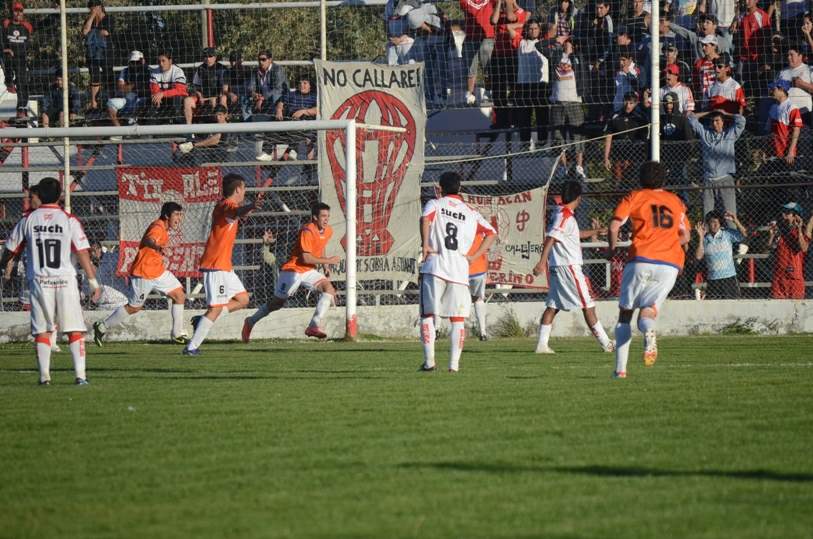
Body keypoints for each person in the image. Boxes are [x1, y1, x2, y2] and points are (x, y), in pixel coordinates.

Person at [0, 177, 102, 385]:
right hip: (65, 281)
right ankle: (80, 376)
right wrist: (93, 282)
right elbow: (82, 252)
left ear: (39, 195)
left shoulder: (28, 220)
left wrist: (3, 265)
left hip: (40, 281)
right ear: (59, 196)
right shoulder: (69, 220)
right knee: (74, 329)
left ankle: (44, 377)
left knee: (42, 330)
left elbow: (10, 249)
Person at [607, 161, 691, 379]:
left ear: (640, 178)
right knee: (649, 311)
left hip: (641, 258)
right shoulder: (676, 201)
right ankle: (648, 331)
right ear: (664, 179)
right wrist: (667, 243)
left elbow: (614, 226)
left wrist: (611, 250)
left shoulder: (634, 196)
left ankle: (620, 371)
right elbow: (686, 236)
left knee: (625, 315)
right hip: (669, 264)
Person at [418, 172, 496, 372]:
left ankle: (429, 362)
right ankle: (454, 366)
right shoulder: (470, 212)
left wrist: (425, 244)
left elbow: (425, 219)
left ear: (440, 188)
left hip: (435, 265)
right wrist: (474, 256)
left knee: (428, 315)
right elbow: (491, 232)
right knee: (457, 320)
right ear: (460, 188)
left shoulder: (435, 204)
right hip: (459, 270)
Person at [532, 181, 613, 354]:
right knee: (588, 304)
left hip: (560, 266)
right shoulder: (564, 216)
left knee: (553, 306)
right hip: (568, 267)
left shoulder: (561, 213)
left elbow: (573, 235)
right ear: (578, 198)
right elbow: (551, 238)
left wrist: (595, 232)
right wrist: (541, 262)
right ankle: (606, 343)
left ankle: (542, 345)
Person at [241, 202, 341, 342]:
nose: (326, 219)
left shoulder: (328, 230)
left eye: (328, 216)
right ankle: (250, 321)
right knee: (277, 303)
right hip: (293, 270)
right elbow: (306, 258)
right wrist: (328, 260)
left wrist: (325, 267)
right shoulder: (307, 230)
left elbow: (321, 245)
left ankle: (314, 325)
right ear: (315, 217)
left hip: (308, 271)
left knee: (328, 288)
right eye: (323, 216)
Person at [93, 202, 189, 346]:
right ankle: (102, 326)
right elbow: (149, 240)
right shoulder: (158, 227)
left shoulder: (163, 228)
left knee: (179, 295)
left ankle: (177, 334)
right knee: (134, 307)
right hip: (144, 273)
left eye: (180, 215)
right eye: (176, 214)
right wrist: (158, 247)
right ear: (166, 215)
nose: (179, 218)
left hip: (157, 271)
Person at [183, 174, 256, 356]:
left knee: (243, 299)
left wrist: (250, 207)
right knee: (215, 308)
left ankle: (202, 320)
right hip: (216, 265)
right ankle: (191, 347)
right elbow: (236, 212)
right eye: (244, 188)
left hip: (224, 265)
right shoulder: (225, 205)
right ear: (238, 189)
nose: (245, 192)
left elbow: (238, 213)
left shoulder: (229, 207)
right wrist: (251, 206)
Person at [687, 109, 746, 217]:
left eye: (717, 121)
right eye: (712, 121)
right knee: (707, 215)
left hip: (725, 180)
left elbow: (741, 120)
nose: (714, 123)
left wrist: (726, 113)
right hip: (708, 181)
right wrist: (709, 112)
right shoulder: (705, 134)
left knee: (729, 216)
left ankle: (732, 229)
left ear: (723, 122)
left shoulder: (729, 134)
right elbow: (691, 118)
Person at [694, 211, 746, 298]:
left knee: (733, 303)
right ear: (708, 224)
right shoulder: (705, 238)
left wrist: (736, 221)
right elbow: (698, 256)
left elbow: (745, 234)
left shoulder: (727, 234)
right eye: (712, 222)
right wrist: (700, 237)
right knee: (714, 305)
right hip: (713, 279)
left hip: (729, 278)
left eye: (717, 222)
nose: (715, 225)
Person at [603, 91, 647, 182]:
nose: (628, 105)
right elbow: (608, 137)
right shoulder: (615, 116)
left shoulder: (640, 118)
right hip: (617, 154)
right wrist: (606, 158)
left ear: (636, 103)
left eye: (631, 103)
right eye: (626, 102)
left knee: (633, 181)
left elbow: (645, 139)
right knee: (617, 180)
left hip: (634, 155)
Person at [768, 202, 809, 299]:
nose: (783, 215)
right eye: (783, 212)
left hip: (794, 277)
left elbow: (804, 248)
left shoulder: (802, 230)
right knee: (777, 307)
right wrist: (772, 235)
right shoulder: (779, 230)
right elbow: (769, 248)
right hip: (779, 278)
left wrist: (799, 228)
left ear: (796, 216)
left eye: (787, 213)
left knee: (796, 307)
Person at [460, 0, 496, 106]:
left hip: (487, 36)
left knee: (488, 67)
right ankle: (470, 95)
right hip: (471, 37)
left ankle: (488, 93)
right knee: (471, 68)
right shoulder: (465, 1)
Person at [183, 47, 228, 126]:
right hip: (203, 98)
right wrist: (200, 95)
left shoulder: (222, 69)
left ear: (215, 57)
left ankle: (223, 126)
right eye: (205, 56)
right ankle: (189, 129)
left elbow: (225, 90)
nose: (208, 59)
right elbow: (195, 86)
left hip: (218, 97)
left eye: (210, 56)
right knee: (187, 100)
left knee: (223, 98)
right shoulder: (200, 69)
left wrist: (215, 98)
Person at [107, 50, 152, 129]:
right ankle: (119, 130)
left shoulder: (149, 71)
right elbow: (121, 88)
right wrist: (135, 86)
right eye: (132, 62)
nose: (135, 64)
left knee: (141, 101)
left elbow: (148, 89)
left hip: (143, 99)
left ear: (142, 61)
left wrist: (128, 87)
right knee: (110, 103)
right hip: (127, 98)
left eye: (137, 62)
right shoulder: (125, 71)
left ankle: (136, 124)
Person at [2, 2, 33, 115]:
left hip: (22, 59)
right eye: (16, 11)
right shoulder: (6, 24)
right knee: (8, 57)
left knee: (22, 82)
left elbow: (44, 24)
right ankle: (9, 82)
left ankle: (21, 109)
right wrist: (4, 50)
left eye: (20, 11)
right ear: (12, 12)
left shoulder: (27, 26)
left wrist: (55, 12)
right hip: (8, 57)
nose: (18, 13)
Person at [82, 0, 114, 111]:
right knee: (94, 75)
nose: (91, 10)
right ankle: (93, 102)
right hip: (92, 53)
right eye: (90, 8)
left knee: (108, 74)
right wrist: (92, 17)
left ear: (99, 6)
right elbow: (85, 31)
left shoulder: (108, 19)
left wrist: (94, 33)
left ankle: (110, 100)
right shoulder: (89, 19)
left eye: (93, 7)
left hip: (105, 52)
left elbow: (106, 32)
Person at [148, 51, 188, 123]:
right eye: (159, 61)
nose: (161, 64)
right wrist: (157, 95)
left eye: (163, 61)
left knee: (177, 97)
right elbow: (154, 89)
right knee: (153, 98)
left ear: (170, 61)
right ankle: (155, 123)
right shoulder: (154, 72)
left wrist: (162, 94)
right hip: (163, 99)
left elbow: (180, 90)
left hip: (177, 99)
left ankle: (178, 121)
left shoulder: (178, 71)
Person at [467, 229, 490, 340]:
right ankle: (483, 333)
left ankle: (437, 330)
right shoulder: (480, 223)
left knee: (456, 299)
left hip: (461, 267)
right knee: (478, 299)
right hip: (478, 268)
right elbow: (491, 236)